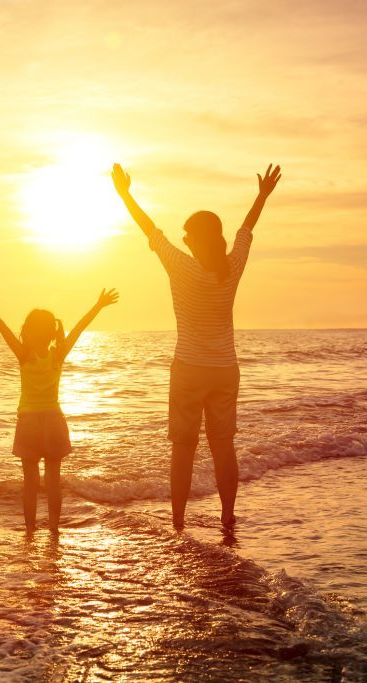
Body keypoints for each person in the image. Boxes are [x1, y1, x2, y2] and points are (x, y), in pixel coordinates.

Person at [111, 162, 281, 529]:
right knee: (223, 447)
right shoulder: (232, 265)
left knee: (183, 450)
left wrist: (125, 194)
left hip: (188, 367)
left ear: (194, 239)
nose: (182, 239)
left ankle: (177, 522)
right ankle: (227, 515)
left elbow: (149, 228)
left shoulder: (179, 265)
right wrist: (262, 195)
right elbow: (246, 229)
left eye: (186, 235)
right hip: (224, 369)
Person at [0, 285, 119, 532]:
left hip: (29, 422)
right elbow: (79, 329)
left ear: (28, 331)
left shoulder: (24, 354)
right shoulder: (57, 355)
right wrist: (98, 305)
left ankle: (31, 530)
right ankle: (54, 528)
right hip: (54, 420)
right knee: (54, 482)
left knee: (30, 483)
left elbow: (1, 325)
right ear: (50, 333)